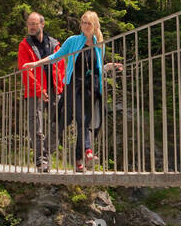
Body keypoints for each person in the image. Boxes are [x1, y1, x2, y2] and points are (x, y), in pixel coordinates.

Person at [23, 11, 121, 172]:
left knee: (88, 122)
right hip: (74, 86)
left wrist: (108, 67)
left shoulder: (98, 45)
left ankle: (79, 160)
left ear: (95, 25)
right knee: (77, 119)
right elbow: (56, 56)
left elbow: (95, 69)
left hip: (92, 88)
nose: (84, 26)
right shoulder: (73, 41)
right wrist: (36, 64)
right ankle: (86, 151)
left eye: (88, 23)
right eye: (83, 22)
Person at [17, 11, 63, 172]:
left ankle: (46, 152)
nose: (31, 27)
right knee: (35, 125)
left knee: (57, 123)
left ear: (42, 24)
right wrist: (39, 90)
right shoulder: (25, 45)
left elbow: (62, 65)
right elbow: (25, 69)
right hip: (34, 90)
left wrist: (61, 87)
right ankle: (41, 160)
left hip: (54, 89)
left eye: (34, 24)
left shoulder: (54, 43)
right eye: (29, 24)